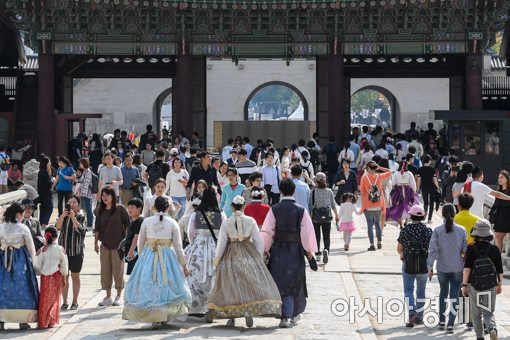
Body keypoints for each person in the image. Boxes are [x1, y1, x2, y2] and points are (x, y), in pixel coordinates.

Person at [208, 195, 282, 327]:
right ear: (243, 207)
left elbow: (222, 243)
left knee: (231, 284)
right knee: (247, 282)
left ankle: (232, 317)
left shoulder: (227, 222)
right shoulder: (251, 220)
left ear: (231, 206)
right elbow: (258, 240)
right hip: (248, 252)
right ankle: (248, 312)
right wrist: (258, 257)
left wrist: (217, 259)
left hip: (231, 254)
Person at [122, 196, 192, 329]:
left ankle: (154, 317)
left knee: (150, 285)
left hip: (150, 254)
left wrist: (142, 258)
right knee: (167, 286)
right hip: (167, 256)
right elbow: (178, 247)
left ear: (153, 207)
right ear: (167, 208)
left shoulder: (147, 221)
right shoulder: (172, 223)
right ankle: (164, 315)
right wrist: (184, 264)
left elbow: (141, 243)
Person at [261, 178, 318, 328]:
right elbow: (307, 233)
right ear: (293, 191)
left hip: (279, 250)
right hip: (296, 251)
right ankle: (293, 314)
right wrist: (309, 251)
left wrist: (264, 250)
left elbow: (267, 231)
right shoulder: (301, 210)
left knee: (281, 282)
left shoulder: (274, 209)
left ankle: (284, 315)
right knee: (296, 282)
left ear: (280, 191)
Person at [427, 204, 467, 333]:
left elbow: (432, 250)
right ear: (455, 214)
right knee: (454, 295)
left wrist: (429, 266)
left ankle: (442, 320)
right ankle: (451, 323)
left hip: (442, 267)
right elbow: (465, 251)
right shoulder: (462, 230)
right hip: (457, 267)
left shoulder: (437, 230)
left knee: (443, 293)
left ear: (442, 214)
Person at [185, 188, 226, 316]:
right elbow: (225, 232)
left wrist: (194, 243)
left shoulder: (196, 213)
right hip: (216, 245)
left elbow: (190, 233)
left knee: (194, 275)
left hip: (199, 246)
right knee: (215, 275)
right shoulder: (221, 214)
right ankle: (214, 306)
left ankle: (196, 306)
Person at [461, 219, 503, 340]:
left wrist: (464, 285)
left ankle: (479, 337)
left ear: (475, 233)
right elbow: (499, 270)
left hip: (474, 285)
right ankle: (492, 328)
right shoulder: (494, 249)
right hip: (490, 285)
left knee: (476, 313)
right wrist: (499, 285)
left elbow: (467, 269)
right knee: (488, 312)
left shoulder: (471, 248)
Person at [0, 203, 39, 330]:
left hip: (3, 259)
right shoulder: (23, 228)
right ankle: (23, 320)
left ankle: (1, 320)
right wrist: (35, 263)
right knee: (23, 286)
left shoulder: (1, 227)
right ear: (18, 214)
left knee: (3, 288)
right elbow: (30, 247)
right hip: (20, 259)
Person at [397, 204, 433, 327]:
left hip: (408, 263)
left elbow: (399, 248)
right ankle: (420, 316)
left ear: (410, 216)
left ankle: (412, 312)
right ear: (423, 216)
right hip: (423, 264)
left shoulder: (405, 230)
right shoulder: (428, 231)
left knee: (408, 290)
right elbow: (432, 249)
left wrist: (402, 254)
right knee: (421, 291)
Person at [94, 187, 130, 307]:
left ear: (113, 196)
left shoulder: (120, 209)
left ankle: (119, 295)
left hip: (119, 245)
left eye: (107, 195)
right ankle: (108, 296)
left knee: (118, 271)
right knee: (105, 271)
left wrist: (126, 242)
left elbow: (127, 226)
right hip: (104, 244)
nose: (104, 197)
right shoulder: (100, 210)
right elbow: (97, 228)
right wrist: (95, 243)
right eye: (103, 195)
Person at [55, 195, 86, 311]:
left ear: (78, 205)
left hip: (76, 251)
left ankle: (75, 301)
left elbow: (81, 230)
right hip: (63, 252)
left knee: (75, 276)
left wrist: (73, 217)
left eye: (74, 203)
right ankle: (65, 301)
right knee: (64, 277)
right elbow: (57, 228)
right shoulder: (63, 216)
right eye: (70, 202)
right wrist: (63, 216)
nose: (72, 204)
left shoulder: (81, 217)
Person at [36, 226, 68, 329]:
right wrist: (64, 273)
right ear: (56, 237)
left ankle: (43, 321)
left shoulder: (42, 250)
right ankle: (51, 321)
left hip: (45, 277)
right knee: (55, 298)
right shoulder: (60, 249)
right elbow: (64, 264)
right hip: (56, 276)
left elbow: (38, 265)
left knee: (44, 298)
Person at [360, 161, 392, 251]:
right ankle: (379, 242)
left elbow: (362, 191)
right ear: (375, 168)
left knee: (370, 224)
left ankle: (372, 244)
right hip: (378, 204)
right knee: (377, 224)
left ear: (369, 168)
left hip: (368, 205)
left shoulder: (364, 178)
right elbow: (390, 171)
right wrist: (380, 168)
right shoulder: (380, 176)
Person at [309, 172, 339, 264]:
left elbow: (311, 206)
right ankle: (326, 249)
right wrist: (337, 216)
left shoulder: (313, 192)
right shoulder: (329, 191)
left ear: (316, 181)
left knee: (317, 236)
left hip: (316, 218)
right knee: (327, 236)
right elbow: (333, 205)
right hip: (327, 217)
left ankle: (318, 254)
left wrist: (309, 218)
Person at [386, 162, 419, 228]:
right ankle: (406, 222)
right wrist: (414, 191)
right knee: (408, 205)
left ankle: (400, 224)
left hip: (398, 191)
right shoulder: (409, 173)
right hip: (408, 191)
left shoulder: (396, 173)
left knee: (399, 207)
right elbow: (413, 184)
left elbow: (392, 183)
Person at [417, 154, 439, 224]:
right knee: (432, 203)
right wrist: (438, 187)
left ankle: (423, 217)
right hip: (431, 187)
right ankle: (429, 219)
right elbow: (435, 179)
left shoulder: (420, 169)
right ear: (429, 161)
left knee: (425, 203)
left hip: (423, 187)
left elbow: (419, 180)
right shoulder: (432, 169)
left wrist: (418, 188)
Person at [125, 198, 144, 275]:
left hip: (136, 253)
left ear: (139, 209)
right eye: (128, 207)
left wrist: (131, 252)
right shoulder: (133, 221)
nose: (129, 209)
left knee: (134, 274)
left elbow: (136, 238)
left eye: (132, 207)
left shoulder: (139, 222)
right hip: (133, 252)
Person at [493, 170, 510, 251]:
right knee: (498, 238)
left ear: (507, 179)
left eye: (502, 177)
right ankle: (498, 258)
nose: (499, 179)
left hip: (507, 217)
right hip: (500, 217)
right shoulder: (498, 191)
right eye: (498, 178)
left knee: (498, 238)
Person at [75, 158, 95, 230]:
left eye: (80, 163)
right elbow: (81, 181)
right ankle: (87, 223)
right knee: (85, 209)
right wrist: (76, 178)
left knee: (88, 209)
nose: (79, 164)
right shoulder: (84, 172)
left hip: (87, 194)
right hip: (83, 194)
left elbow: (86, 184)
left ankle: (90, 225)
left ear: (84, 164)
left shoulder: (88, 172)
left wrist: (79, 189)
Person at [37, 156, 54, 227]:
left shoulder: (41, 171)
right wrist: (52, 180)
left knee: (43, 208)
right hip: (46, 194)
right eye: (49, 162)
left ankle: (41, 223)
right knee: (49, 208)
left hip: (42, 194)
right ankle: (44, 223)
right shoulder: (44, 172)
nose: (50, 163)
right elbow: (47, 183)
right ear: (46, 163)